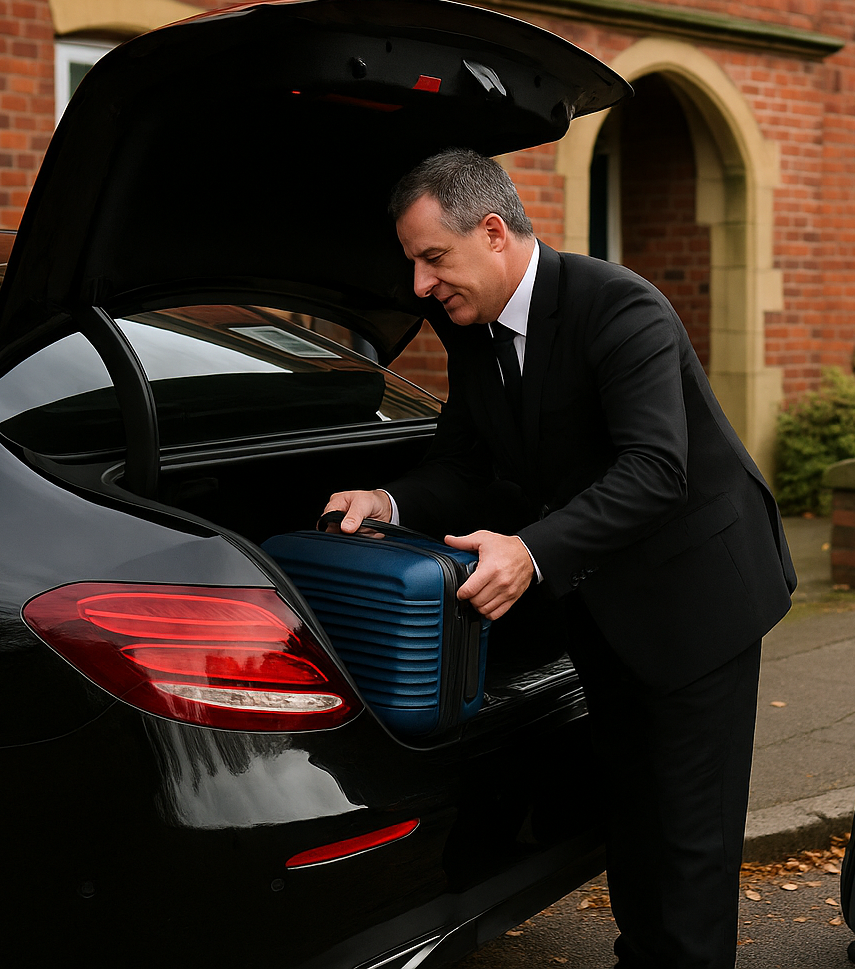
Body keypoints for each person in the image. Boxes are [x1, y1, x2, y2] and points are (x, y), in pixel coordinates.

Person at [325, 148, 796, 969]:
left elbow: (656, 469)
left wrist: (530, 553)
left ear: (495, 232)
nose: (421, 287)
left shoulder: (620, 306)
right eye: (414, 265)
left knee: (689, 833)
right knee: (630, 813)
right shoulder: (469, 328)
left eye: (433, 259)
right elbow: (466, 466)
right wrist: (387, 502)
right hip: (604, 603)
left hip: (699, 601)